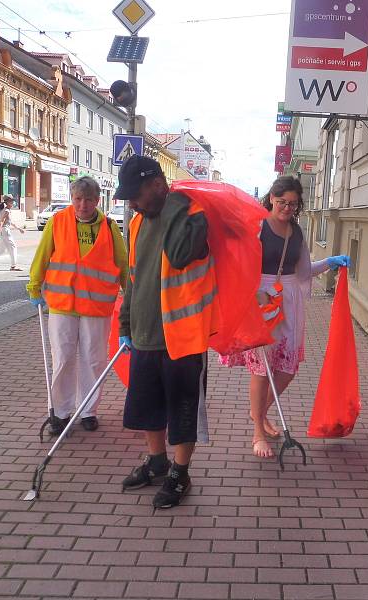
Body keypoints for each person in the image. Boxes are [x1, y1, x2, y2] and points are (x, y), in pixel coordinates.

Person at [220, 176, 350, 458]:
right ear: (271, 199)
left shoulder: (297, 232)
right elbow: (237, 264)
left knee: (288, 368)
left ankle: (261, 412)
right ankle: (257, 430)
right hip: (260, 300)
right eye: (282, 202)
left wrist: (330, 262)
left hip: (289, 302)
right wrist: (254, 294)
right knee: (261, 368)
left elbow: (303, 271)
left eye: (293, 204)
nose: (287, 208)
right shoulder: (256, 226)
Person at [116, 155, 216, 509]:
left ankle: (180, 472)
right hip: (145, 334)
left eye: (136, 194)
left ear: (158, 185)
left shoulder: (191, 216)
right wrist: (126, 323)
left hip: (183, 338)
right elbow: (134, 276)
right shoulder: (139, 222)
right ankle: (157, 462)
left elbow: (178, 255)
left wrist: (175, 202)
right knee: (148, 408)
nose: (131, 203)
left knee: (183, 410)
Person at [26, 176, 128, 434]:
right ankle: (59, 413)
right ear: (72, 199)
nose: (83, 205)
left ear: (97, 200)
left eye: (89, 200)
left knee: (94, 360)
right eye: (78, 199)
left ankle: (88, 411)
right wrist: (34, 286)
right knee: (62, 359)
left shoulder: (109, 226)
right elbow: (43, 256)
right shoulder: (57, 222)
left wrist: (131, 294)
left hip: (97, 307)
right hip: (63, 305)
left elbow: (123, 263)